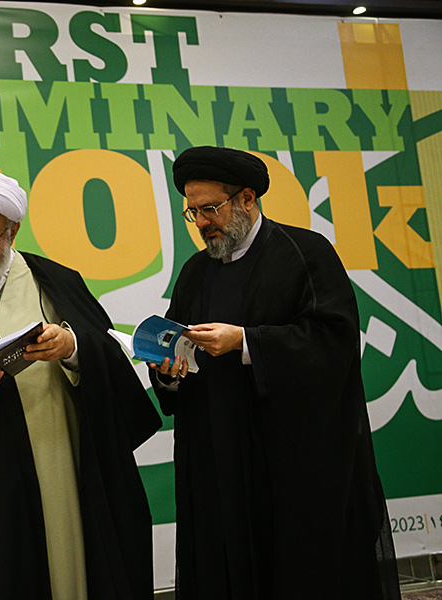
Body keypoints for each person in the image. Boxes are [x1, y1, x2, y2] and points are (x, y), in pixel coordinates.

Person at [0, 169, 162, 600]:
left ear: (12, 231)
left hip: (65, 453)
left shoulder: (58, 281)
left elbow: (105, 347)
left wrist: (72, 347)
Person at [149, 146, 400, 600]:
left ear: (247, 198)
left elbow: (334, 342)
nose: (202, 222)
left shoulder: (305, 252)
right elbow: (177, 344)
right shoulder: (194, 272)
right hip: (216, 463)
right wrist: (168, 371)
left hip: (289, 466)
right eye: (193, 212)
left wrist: (245, 342)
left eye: (210, 209)